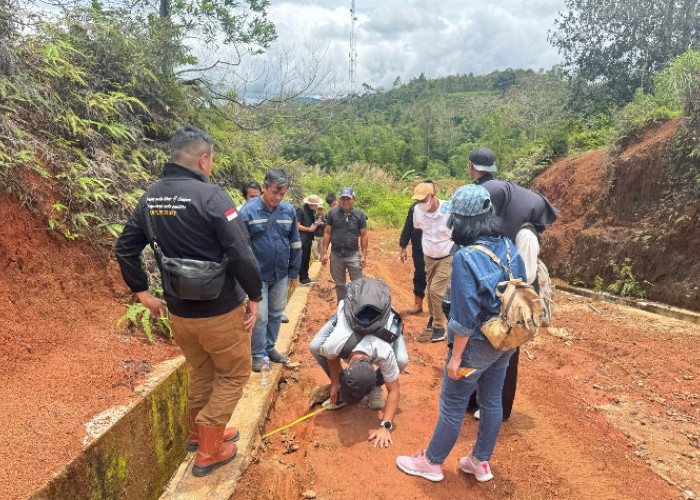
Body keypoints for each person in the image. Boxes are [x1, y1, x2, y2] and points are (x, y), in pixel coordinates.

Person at [115, 126, 263, 477]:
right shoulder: (213, 197)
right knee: (233, 373)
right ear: (203, 159)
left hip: (179, 313)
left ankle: (201, 434)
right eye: (210, 160)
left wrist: (143, 293)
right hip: (220, 311)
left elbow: (124, 248)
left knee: (203, 371)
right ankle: (209, 452)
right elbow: (242, 254)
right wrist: (255, 295)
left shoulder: (151, 197)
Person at [396, 184, 527, 483]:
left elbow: (465, 315)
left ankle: (431, 462)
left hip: (476, 345)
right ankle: (479, 462)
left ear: (460, 220)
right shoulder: (508, 244)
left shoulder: (466, 257)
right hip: (505, 339)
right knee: (491, 401)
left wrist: (456, 357)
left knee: (453, 404)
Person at [467, 147, 558, 420]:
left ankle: (500, 408)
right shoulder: (504, 226)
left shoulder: (526, 234)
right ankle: (475, 400)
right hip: (498, 295)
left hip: (514, 301)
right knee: (483, 345)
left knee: (507, 353)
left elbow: (527, 275)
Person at [309, 281, 408, 447]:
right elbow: (331, 356)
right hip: (349, 312)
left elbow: (394, 391)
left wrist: (386, 426)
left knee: (401, 361)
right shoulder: (336, 343)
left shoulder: (384, 351)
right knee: (315, 346)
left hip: (387, 321)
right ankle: (344, 387)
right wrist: (335, 383)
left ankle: (375, 385)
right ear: (347, 368)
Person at [239, 168, 302, 372]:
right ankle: (257, 354)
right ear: (264, 187)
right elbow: (240, 247)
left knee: (276, 314)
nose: (277, 197)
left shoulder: (288, 211)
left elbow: (294, 242)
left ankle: (269, 347)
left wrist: (294, 270)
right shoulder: (248, 211)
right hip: (256, 277)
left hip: (281, 274)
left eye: (282, 194)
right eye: (274, 192)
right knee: (259, 316)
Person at [411, 182, 452, 342]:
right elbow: (419, 228)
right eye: (418, 201)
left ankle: (439, 327)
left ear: (432, 196)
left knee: (436, 291)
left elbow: (457, 231)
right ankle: (434, 317)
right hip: (429, 256)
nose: (420, 204)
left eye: (423, 200)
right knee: (430, 291)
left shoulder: (448, 209)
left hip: (447, 255)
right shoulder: (417, 211)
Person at [321, 187, 368, 302]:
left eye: (349, 199)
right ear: (340, 199)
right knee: (340, 284)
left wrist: (363, 255)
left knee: (357, 283)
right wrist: (324, 253)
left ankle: (357, 307)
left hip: (353, 254)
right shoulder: (332, 213)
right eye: (343, 199)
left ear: (354, 200)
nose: (346, 202)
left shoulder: (360, 215)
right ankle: (341, 307)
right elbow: (327, 233)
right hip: (336, 255)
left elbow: (364, 236)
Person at [399, 180, 435, 315]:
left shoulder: (442, 208)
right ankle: (418, 304)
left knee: (436, 279)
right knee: (419, 274)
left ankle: (435, 309)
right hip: (419, 248)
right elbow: (408, 226)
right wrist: (403, 247)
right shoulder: (414, 208)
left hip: (435, 249)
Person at [296, 194, 323, 285]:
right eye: (315, 205)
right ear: (310, 204)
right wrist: (309, 229)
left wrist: (316, 224)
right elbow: (297, 225)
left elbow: (311, 225)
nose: (316, 206)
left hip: (308, 238)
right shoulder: (301, 210)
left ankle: (305, 277)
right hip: (301, 238)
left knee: (307, 258)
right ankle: (302, 278)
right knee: (302, 258)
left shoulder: (312, 212)